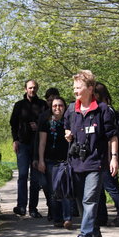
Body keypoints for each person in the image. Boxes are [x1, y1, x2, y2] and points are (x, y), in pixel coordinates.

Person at [64, 70, 119, 237]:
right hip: (76, 162)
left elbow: (113, 137)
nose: (75, 91)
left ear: (90, 88)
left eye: (78, 87)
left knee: (89, 200)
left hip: (96, 162)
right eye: (74, 88)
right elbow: (67, 129)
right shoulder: (72, 110)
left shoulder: (103, 110)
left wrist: (114, 159)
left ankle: (84, 235)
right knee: (80, 201)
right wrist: (68, 135)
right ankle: (94, 231)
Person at [10, 79, 48, 217]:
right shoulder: (19, 105)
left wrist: (38, 127)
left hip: (38, 145)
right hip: (23, 144)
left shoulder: (42, 105)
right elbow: (13, 124)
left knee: (35, 178)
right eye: (30, 88)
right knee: (23, 175)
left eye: (35, 88)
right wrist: (15, 140)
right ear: (25, 89)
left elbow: (47, 124)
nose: (32, 90)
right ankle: (21, 207)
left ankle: (33, 208)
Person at [94, 82, 119, 227]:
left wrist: (111, 157)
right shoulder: (109, 110)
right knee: (101, 187)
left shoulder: (106, 111)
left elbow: (111, 136)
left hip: (107, 155)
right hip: (104, 154)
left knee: (111, 187)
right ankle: (102, 216)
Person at [37, 96, 72, 229]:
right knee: (54, 191)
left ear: (64, 107)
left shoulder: (69, 121)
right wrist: (40, 160)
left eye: (60, 105)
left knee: (66, 190)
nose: (58, 108)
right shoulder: (46, 122)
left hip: (66, 160)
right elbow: (42, 143)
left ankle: (67, 218)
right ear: (51, 108)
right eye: (55, 106)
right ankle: (57, 218)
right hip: (50, 160)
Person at [35, 87, 61, 221]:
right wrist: (37, 158)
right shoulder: (43, 117)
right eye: (49, 100)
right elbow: (38, 140)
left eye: (54, 100)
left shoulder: (65, 115)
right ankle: (52, 208)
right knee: (45, 185)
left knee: (57, 186)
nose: (52, 103)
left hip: (60, 157)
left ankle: (57, 212)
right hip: (45, 156)